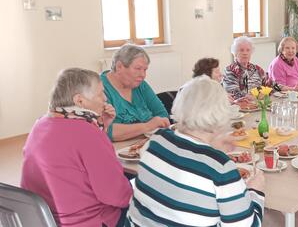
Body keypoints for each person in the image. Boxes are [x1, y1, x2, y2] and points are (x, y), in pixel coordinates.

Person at [127, 76, 266, 226]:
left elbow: (184, 158)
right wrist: (255, 192)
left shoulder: (156, 140)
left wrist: (212, 146)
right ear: (221, 114)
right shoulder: (221, 168)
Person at [21, 68, 132, 227]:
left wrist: (101, 129)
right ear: (80, 101)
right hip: (86, 221)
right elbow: (115, 195)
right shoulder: (87, 134)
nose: (105, 99)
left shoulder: (40, 124)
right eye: (100, 94)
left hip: (43, 219)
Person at [101, 44, 170, 141]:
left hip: (145, 142)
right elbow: (106, 130)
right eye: (138, 69)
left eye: (145, 70)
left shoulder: (140, 84)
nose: (143, 75)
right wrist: (147, 126)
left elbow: (162, 115)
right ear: (119, 66)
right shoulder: (100, 88)